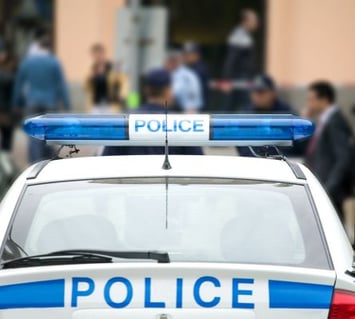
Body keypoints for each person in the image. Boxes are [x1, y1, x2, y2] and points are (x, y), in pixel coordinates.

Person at [102, 68, 203, 156]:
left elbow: (106, 160)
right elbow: (200, 163)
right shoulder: (182, 124)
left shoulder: (126, 122)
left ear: (147, 90)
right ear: (168, 90)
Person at [12, 34, 71, 163]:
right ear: (49, 48)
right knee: (49, 132)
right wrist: (66, 104)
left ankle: (35, 162)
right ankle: (48, 161)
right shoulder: (54, 62)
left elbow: (19, 83)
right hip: (50, 102)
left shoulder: (28, 62)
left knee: (34, 133)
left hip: (32, 101)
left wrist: (16, 103)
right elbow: (61, 84)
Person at [305, 81, 353, 219]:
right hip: (323, 189)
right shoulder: (324, 120)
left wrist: (329, 187)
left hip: (331, 193)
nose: (308, 103)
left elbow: (344, 158)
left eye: (311, 99)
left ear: (324, 99)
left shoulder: (335, 122)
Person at [238, 74, 294, 157]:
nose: (257, 96)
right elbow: (241, 144)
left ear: (272, 93)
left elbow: (292, 146)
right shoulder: (246, 114)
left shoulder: (285, 114)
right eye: (254, 92)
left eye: (261, 92)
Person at [221, 9, 259, 111]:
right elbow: (231, 60)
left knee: (233, 107)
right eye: (254, 20)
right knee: (244, 107)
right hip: (239, 79)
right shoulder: (239, 36)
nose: (256, 23)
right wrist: (227, 79)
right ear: (246, 21)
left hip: (243, 79)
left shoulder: (245, 36)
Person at [86, 43, 128, 113]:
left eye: (100, 54)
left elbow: (124, 81)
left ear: (104, 54)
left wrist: (122, 95)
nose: (98, 57)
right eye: (95, 55)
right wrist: (89, 80)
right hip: (96, 104)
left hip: (110, 105)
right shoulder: (92, 69)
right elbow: (86, 88)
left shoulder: (112, 67)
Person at [0, 43, 17, 184]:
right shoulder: (10, 76)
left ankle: (5, 168)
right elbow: (15, 96)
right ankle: (7, 168)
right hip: (6, 113)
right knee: (6, 141)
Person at [183, 42, 209, 109]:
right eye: (186, 54)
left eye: (190, 54)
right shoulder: (188, 67)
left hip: (196, 105)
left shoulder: (200, 69)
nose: (186, 57)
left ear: (197, 55)